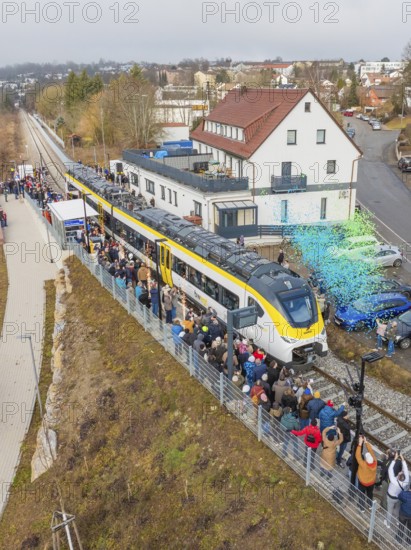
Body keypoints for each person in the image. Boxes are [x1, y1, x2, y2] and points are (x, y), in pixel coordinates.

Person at [386, 453, 409, 526]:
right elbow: (405, 470)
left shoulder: (393, 480)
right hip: (398, 498)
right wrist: (402, 459)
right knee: (397, 510)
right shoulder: (406, 481)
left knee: (389, 510)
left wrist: (395, 459)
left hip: (390, 497)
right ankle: (397, 521)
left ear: (398, 477)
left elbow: (390, 469)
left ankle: (388, 524)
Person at [356, 435, 377, 512]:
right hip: (371, 482)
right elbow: (372, 452)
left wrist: (360, 444)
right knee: (370, 494)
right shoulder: (375, 462)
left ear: (366, 460)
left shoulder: (363, 464)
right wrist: (366, 442)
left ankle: (362, 508)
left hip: (363, 482)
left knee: (361, 495)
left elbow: (358, 456)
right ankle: (370, 505)